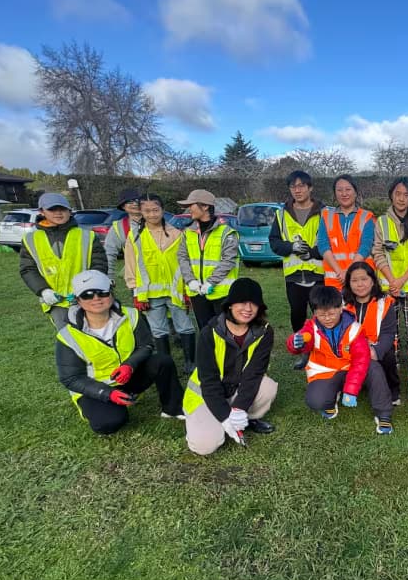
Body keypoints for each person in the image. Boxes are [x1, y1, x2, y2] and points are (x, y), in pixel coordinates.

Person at [55, 270, 184, 435]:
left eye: (102, 292)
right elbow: (71, 378)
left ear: (111, 293)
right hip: (96, 387)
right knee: (109, 424)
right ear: (78, 300)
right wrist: (107, 393)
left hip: (128, 376)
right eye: (87, 295)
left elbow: (146, 346)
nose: (96, 298)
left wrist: (129, 365)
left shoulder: (132, 315)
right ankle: (102, 406)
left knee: (162, 361)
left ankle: (173, 408)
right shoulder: (67, 335)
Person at [182, 278, 278, 455]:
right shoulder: (208, 333)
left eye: (254, 304)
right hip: (205, 394)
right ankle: (204, 421)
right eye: (242, 302)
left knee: (268, 387)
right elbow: (209, 382)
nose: (248, 309)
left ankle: (245, 420)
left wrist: (239, 409)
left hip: (236, 389)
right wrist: (225, 417)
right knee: (205, 446)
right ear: (230, 305)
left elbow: (254, 374)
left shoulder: (264, 331)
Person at [122, 193, 198, 375]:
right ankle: (166, 364)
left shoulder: (177, 234)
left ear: (162, 210)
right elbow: (131, 264)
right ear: (141, 212)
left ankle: (190, 362)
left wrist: (188, 287)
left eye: (155, 210)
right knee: (158, 329)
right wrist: (135, 292)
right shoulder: (135, 237)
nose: (152, 214)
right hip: (149, 294)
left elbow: (185, 262)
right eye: (147, 211)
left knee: (184, 326)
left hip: (176, 290)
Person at [20, 192, 108, 330]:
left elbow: (99, 264)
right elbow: (28, 269)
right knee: (68, 339)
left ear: (69, 211)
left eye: (62, 209)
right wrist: (43, 290)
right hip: (57, 302)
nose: (58, 213)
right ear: (42, 212)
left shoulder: (86, 235)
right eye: (52, 209)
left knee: (95, 336)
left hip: (88, 298)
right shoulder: (31, 239)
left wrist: (86, 288)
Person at [288, 285, 370, 421]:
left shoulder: (354, 327)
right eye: (321, 314)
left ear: (340, 308)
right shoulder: (311, 326)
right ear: (314, 312)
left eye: (331, 314)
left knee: (372, 369)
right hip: (324, 371)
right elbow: (302, 339)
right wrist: (295, 343)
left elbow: (361, 359)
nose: (327, 318)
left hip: (348, 368)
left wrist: (351, 389)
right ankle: (332, 395)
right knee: (315, 402)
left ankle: (345, 388)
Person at [342, 261, 398, 433]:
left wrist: (375, 351)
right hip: (347, 352)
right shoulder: (341, 302)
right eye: (354, 280)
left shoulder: (386, 302)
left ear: (373, 280)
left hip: (374, 351)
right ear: (349, 283)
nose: (359, 284)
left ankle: (387, 405)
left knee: (385, 356)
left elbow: (389, 333)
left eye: (364, 279)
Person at [268, 170, 324, 339]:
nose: (297, 190)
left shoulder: (324, 213)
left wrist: (312, 253)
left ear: (310, 188)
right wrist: (292, 247)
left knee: (322, 314)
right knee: (297, 315)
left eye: (301, 186)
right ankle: (302, 349)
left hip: (319, 273)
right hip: (293, 275)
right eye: (293, 187)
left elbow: (331, 242)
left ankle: (323, 349)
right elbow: (274, 242)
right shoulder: (281, 214)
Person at [176, 188, 240, 329]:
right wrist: (190, 280)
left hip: (221, 294)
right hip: (197, 293)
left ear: (205, 206)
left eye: (191, 205)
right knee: (205, 332)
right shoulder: (188, 233)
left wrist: (211, 282)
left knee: (225, 332)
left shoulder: (227, 232)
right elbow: (182, 257)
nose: (188, 210)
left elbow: (228, 260)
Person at [372, 176, 408, 337]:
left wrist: (401, 281)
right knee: (387, 332)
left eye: (406, 195)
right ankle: (390, 362)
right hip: (388, 287)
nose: (401, 199)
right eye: (398, 193)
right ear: (391, 195)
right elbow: (378, 253)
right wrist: (393, 281)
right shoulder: (381, 222)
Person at [318, 174, 375, 291]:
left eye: (348, 189)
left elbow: (366, 246)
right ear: (335, 194)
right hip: (335, 280)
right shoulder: (326, 216)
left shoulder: (367, 216)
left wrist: (348, 272)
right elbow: (323, 245)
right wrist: (340, 272)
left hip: (361, 280)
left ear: (355, 192)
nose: (344, 194)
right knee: (336, 309)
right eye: (339, 190)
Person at [103, 188, 144, 276]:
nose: (135, 203)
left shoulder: (158, 222)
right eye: (130, 201)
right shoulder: (118, 227)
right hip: (137, 278)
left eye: (138, 200)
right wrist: (108, 278)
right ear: (123, 206)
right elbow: (109, 254)